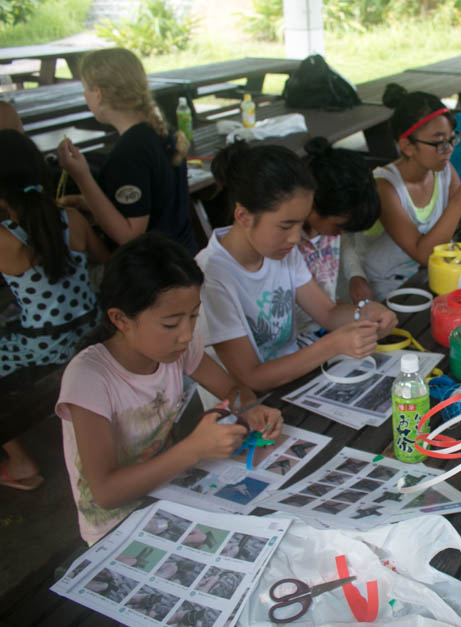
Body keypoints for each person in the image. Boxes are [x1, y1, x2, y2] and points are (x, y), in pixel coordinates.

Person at [55, 233, 282, 544]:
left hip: (172, 493)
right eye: (171, 323)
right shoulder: (90, 377)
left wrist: (250, 409)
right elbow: (106, 493)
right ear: (120, 319)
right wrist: (193, 449)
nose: (187, 335)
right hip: (116, 527)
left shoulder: (177, 350)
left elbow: (233, 389)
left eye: (193, 316)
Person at [196, 142, 396, 394]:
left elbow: (328, 312)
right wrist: (332, 345)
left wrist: (365, 314)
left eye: (300, 223)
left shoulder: (279, 250)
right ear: (243, 216)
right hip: (245, 405)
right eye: (285, 225)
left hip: (293, 384)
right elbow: (251, 378)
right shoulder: (212, 275)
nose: (295, 237)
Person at [1, 130, 108, 491]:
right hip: (90, 330)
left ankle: (20, 461)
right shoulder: (71, 219)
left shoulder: (6, 236)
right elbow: (103, 258)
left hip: (43, 346)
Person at [353, 84, 461, 300]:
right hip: (385, 286)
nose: (449, 149)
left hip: (425, 276)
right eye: (439, 142)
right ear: (407, 146)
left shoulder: (443, 172)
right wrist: (460, 199)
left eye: (452, 139)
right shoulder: (385, 187)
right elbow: (424, 254)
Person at [55, 48, 197, 253]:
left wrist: (82, 177)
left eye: (84, 89)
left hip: (155, 272)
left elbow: (129, 236)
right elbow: (154, 203)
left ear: (98, 94)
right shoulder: (161, 132)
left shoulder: (129, 154)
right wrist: (88, 203)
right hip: (181, 257)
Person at [295, 137, 379, 344]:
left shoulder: (329, 225)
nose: (341, 235)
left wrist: (355, 275)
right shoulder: (287, 242)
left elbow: (345, 242)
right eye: (339, 227)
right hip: (297, 335)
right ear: (313, 206)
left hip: (324, 323)